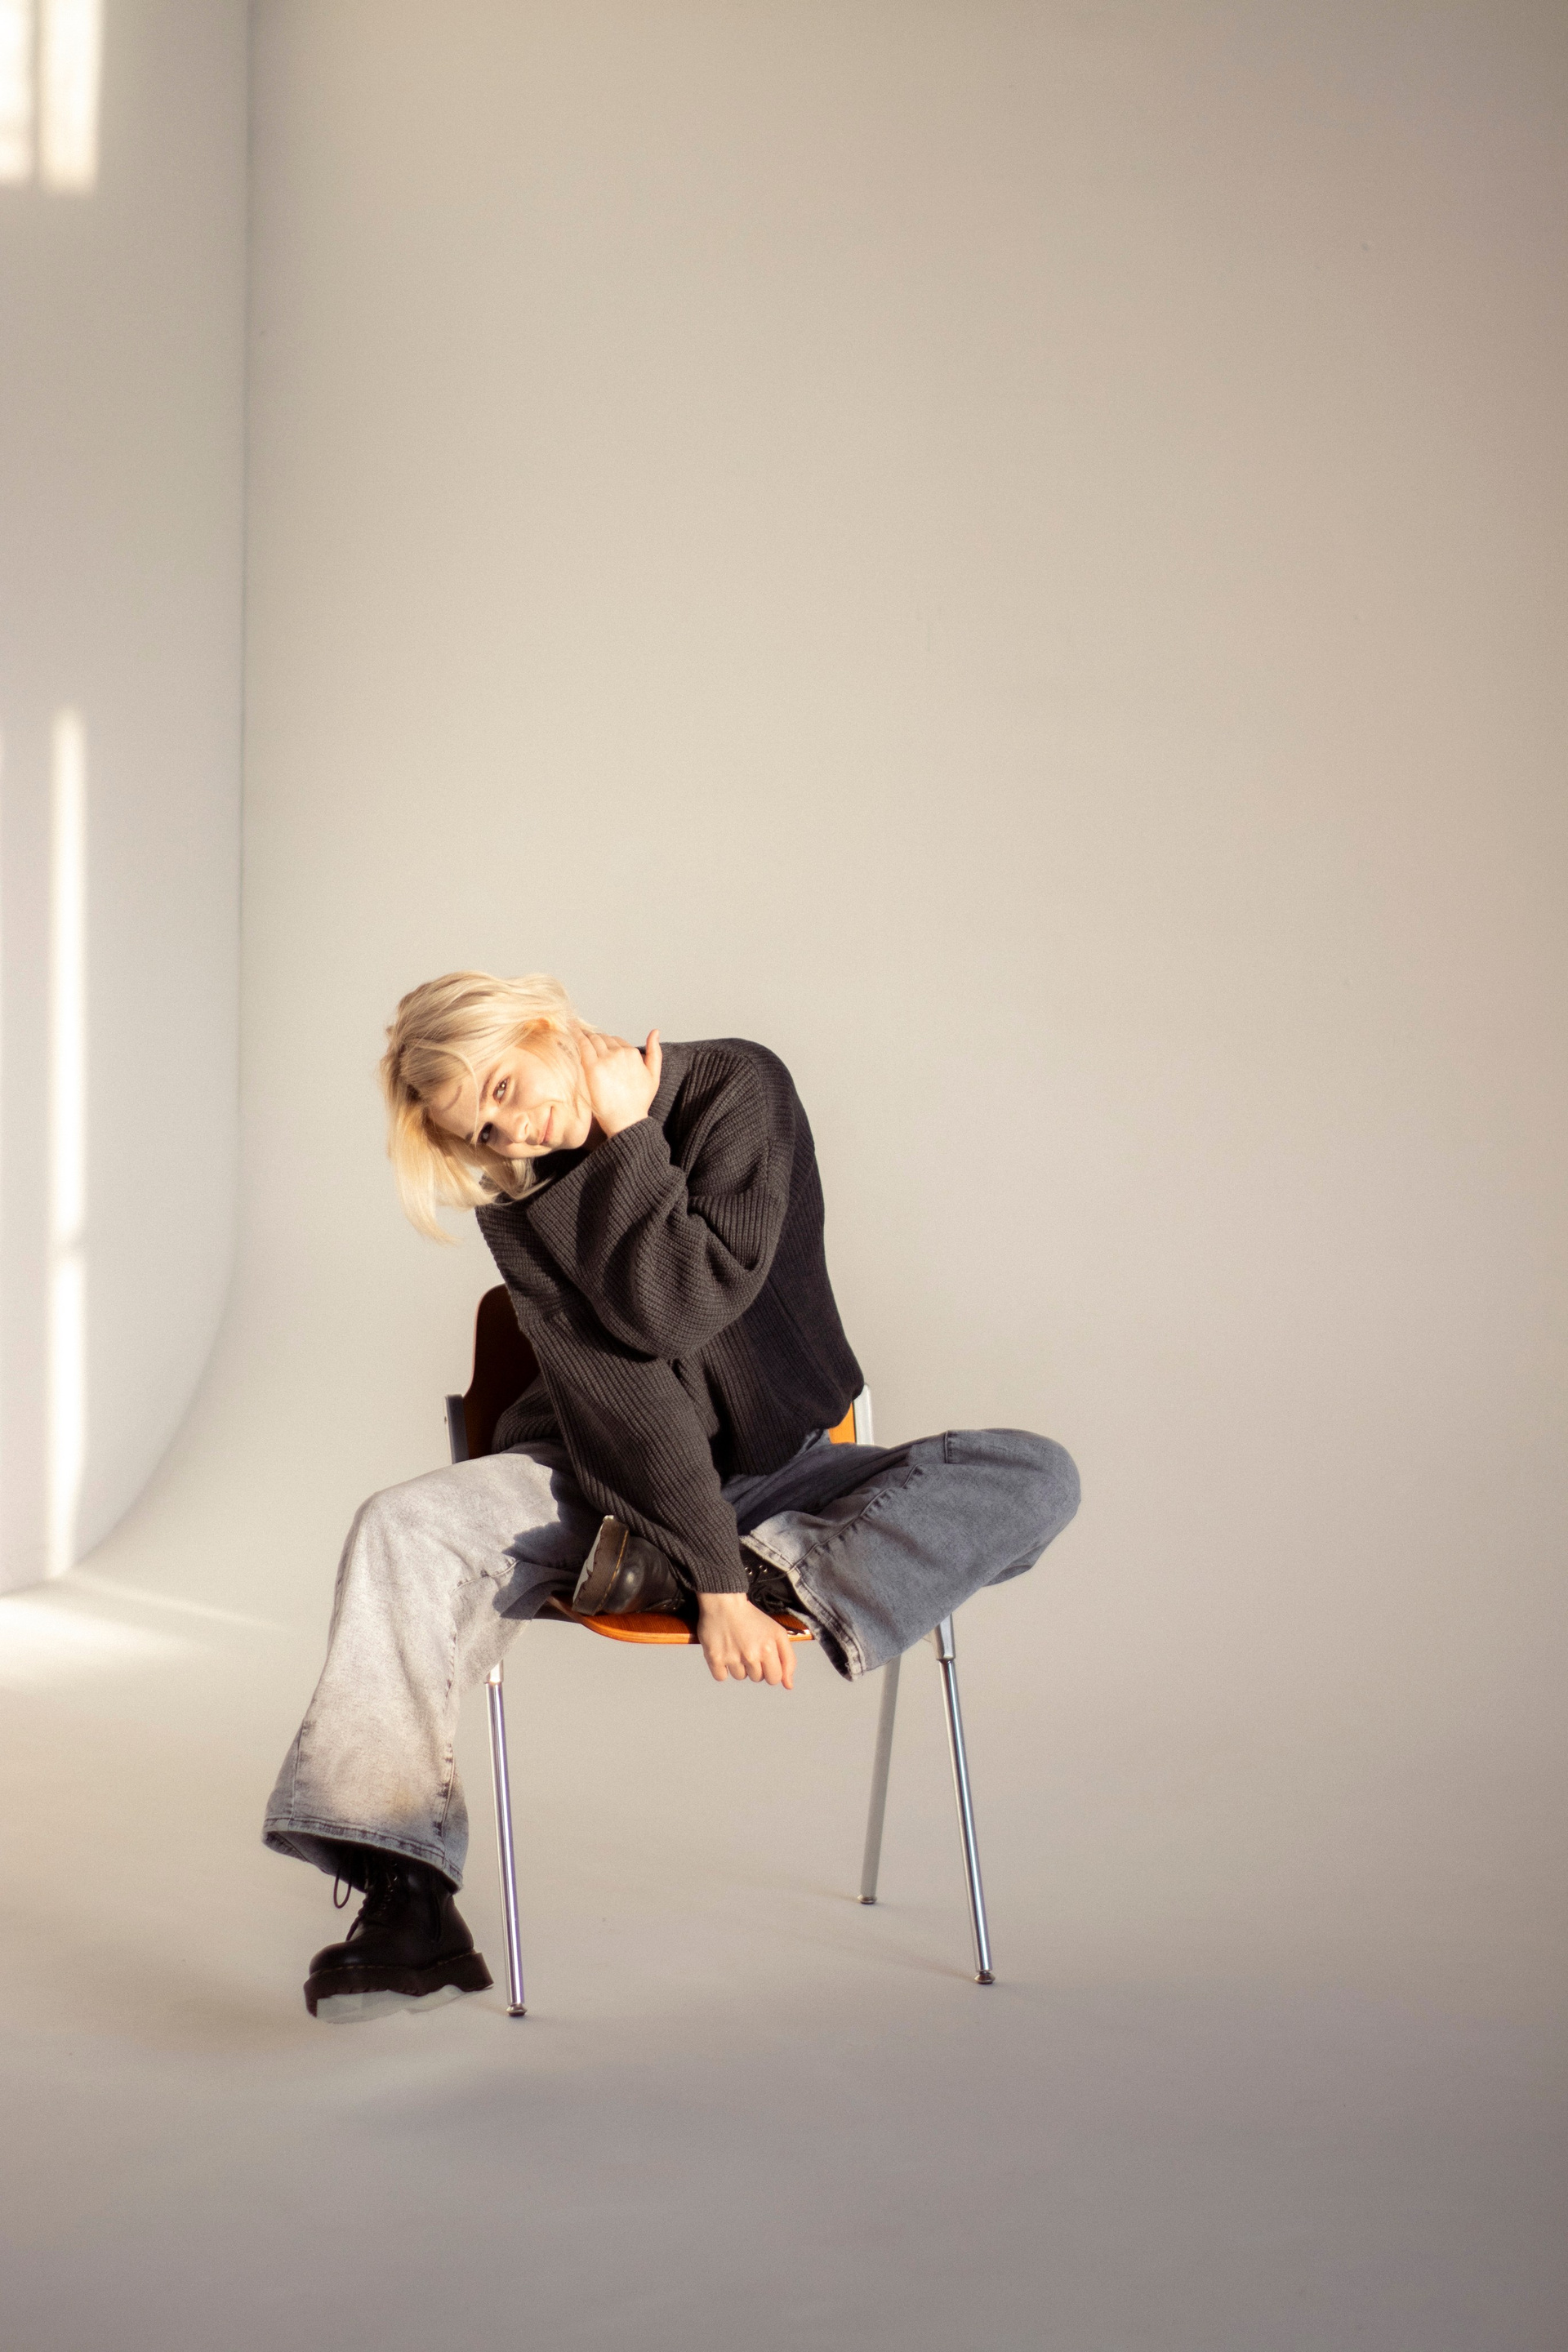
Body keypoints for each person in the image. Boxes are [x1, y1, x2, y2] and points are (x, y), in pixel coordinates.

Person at [264, 972, 1080, 2020]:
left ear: (547, 1026)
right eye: (487, 1128)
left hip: (781, 1476)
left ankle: (780, 1572)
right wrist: (716, 1585)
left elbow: (692, 1296)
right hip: (599, 1472)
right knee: (402, 1525)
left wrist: (630, 1134)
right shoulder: (524, 1197)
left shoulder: (738, 1087)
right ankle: (407, 1900)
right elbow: (633, 1391)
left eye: (507, 1086)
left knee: (1034, 1473)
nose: (516, 1130)